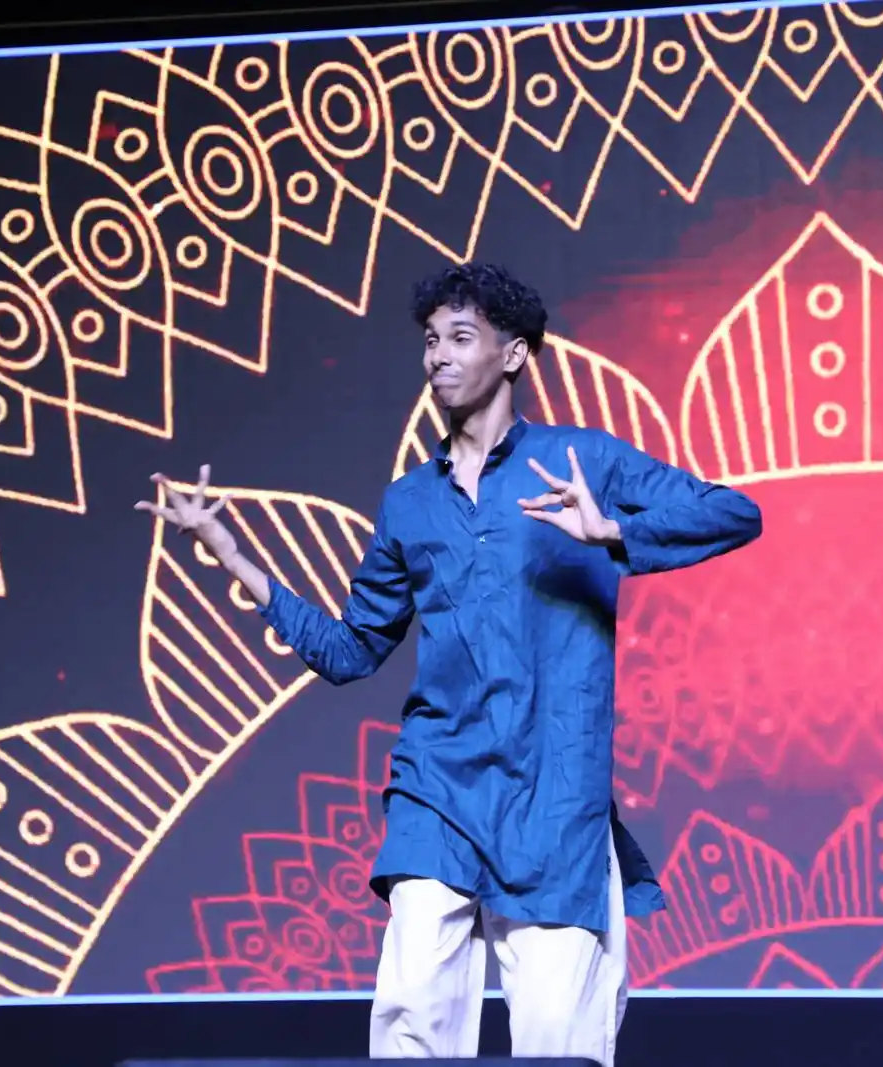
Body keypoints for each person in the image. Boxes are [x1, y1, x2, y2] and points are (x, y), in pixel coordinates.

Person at [137, 263, 761, 1064]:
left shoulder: (581, 460)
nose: (438, 355)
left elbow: (733, 512)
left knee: (557, 1040)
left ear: (514, 354)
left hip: (553, 799)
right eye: (431, 340)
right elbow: (351, 650)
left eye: (461, 337)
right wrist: (232, 555)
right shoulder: (410, 503)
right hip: (437, 789)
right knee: (413, 1022)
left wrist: (613, 531)